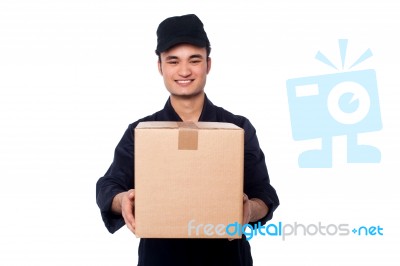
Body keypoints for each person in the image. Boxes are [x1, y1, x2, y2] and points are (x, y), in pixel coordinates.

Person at [96, 14, 279, 266]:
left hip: (225, 258)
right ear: (160, 66)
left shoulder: (237, 128)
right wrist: (121, 200)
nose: (184, 71)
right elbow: (109, 185)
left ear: (208, 64)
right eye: (173, 61)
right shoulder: (141, 132)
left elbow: (264, 194)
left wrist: (250, 210)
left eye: (194, 60)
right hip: (160, 258)